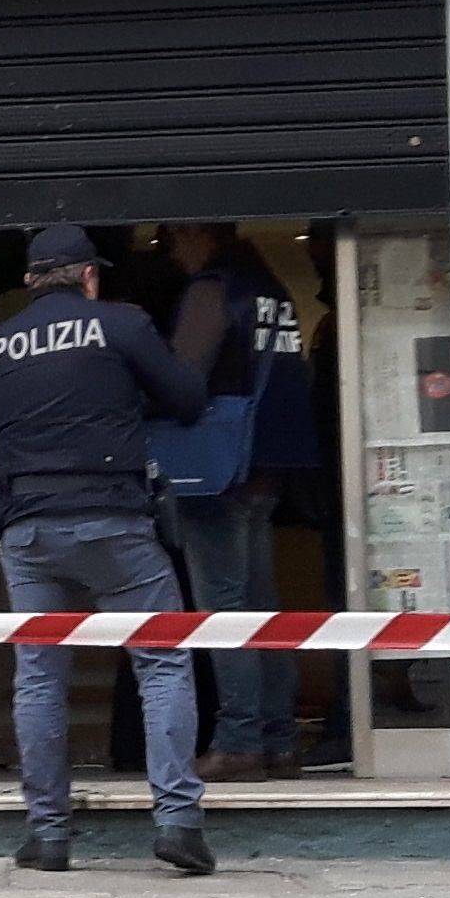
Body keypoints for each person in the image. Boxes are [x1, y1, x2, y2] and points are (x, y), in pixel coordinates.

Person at [0, 225, 215, 876]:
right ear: (90, 276)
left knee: (39, 675)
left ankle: (47, 833)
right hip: (115, 521)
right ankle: (177, 822)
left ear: (33, 281)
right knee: (162, 661)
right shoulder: (120, 328)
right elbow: (187, 399)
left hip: (30, 531)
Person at [160, 223, 318, 781]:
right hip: (267, 465)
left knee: (224, 613)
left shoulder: (213, 288)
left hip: (217, 469)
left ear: (196, 236)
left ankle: (239, 741)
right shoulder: (271, 288)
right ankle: (279, 739)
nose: (173, 254)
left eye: (173, 241)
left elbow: (183, 378)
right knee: (261, 609)